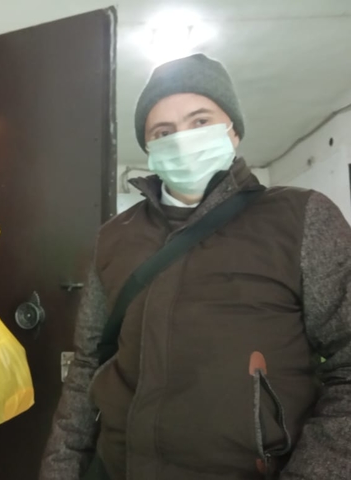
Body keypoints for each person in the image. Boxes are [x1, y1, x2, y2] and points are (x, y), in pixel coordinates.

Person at [40, 53, 351, 479]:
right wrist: (59, 470)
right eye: (163, 132)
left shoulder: (300, 217)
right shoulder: (114, 237)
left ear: (233, 131)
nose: (182, 140)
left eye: (200, 121)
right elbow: (87, 365)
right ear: (149, 148)